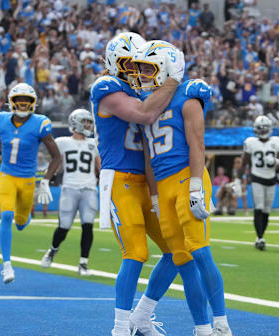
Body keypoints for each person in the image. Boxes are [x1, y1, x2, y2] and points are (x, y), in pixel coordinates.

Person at [130, 41, 232, 336]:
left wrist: (198, 186)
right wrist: (154, 196)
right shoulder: (146, 104)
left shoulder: (188, 94)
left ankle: (222, 324)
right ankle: (202, 328)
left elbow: (197, 142)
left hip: (188, 178)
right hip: (163, 185)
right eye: (141, 69)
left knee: (200, 252)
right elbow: (149, 155)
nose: (144, 75)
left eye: (149, 68)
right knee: (182, 260)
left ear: (168, 68)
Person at [91, 32, 183, 336]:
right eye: (129, 63)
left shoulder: (143, 89)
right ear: (114, 62)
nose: (135, 71)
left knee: (176, 249)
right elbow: (144, 115)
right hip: (120, 179)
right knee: (136, 252)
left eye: (141, 65)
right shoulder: (106, 87)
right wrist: (173, 80)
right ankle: (119, 328)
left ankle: (142, 316)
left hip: (147, 182)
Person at [0, 82, 61, 284]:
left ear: (33, 103)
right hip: (7, 176)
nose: (22, 105)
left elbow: (56, 157)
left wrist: (46, 180)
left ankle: (22, 222)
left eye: (26, 101)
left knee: (21, 223)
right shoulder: (1, 120)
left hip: (28, 179)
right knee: (6, 215)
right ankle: (7, 265)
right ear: (11, 102)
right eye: (19, 101)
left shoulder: (40, 123)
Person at [41, 109, 100, 276]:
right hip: (69, 188)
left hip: (89, 188)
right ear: (75, 122)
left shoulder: (93, 143)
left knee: (88, 225)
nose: (88, 125)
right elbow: (55, 162)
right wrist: (47, 178)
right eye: (85, 121)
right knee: (64, 226)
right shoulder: (62, 142)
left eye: (89, 122)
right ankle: (53, 250)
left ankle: (83, 263)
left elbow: (99, 166)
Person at [238, 115, 279, 251]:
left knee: (267, 210)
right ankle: (260, 237)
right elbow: (244, 162)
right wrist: (238, 179)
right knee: (259, 207)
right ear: (255, 129)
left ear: (270, 128)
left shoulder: (276, 141)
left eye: (264, 128)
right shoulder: (251, 142)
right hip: (257, 178)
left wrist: (276, 162)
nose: (262, 131)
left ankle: (260, 237)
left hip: (271, 178)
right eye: (260, 128)